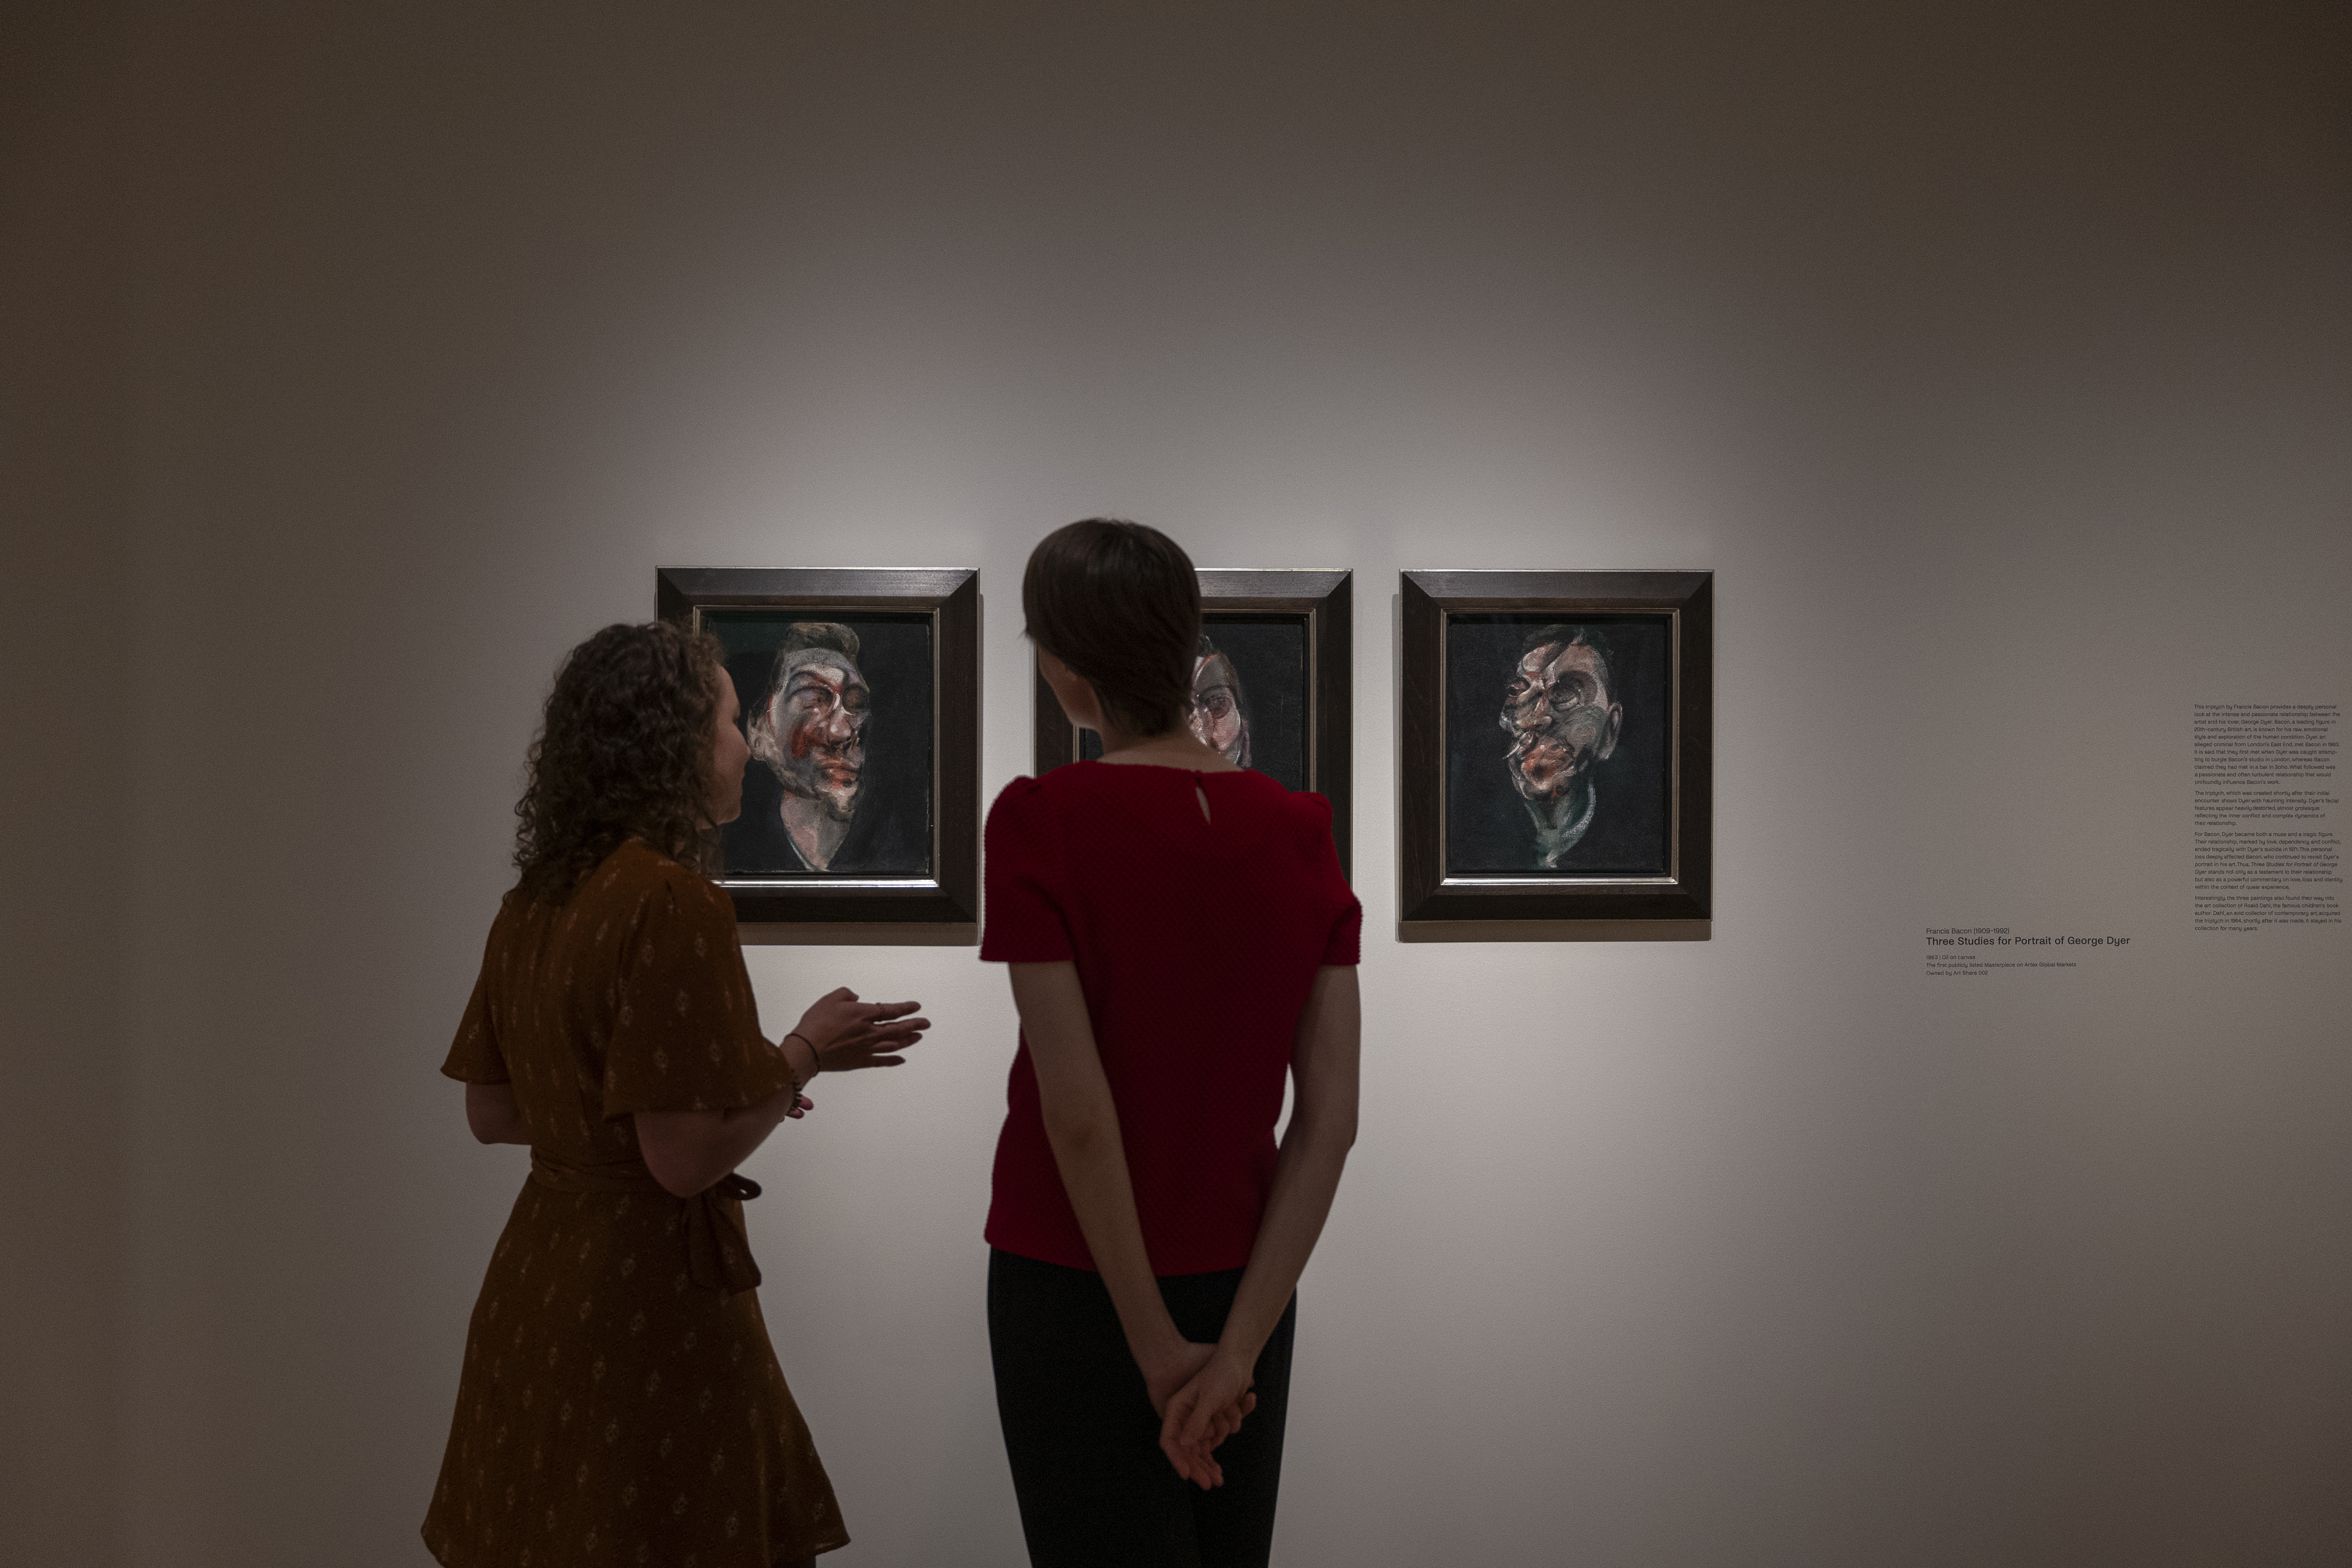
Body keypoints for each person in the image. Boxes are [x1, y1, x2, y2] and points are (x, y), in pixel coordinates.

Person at [422, 620, 928, 1568]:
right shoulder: (672, 899)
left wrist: (714, 1095)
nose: (743, 745)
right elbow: (681, 1155)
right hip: (640, 1309)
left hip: (534, 1297)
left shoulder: (533, 901)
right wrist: (800, 1056)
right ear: (675, 742)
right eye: (732, 721)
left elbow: (494, 1109)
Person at [981, 520, 1362, 1568]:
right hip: (1246, 1289)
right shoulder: (1299, 832)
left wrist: (1155, 1355)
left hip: (1076, 1286)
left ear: (1063, 665)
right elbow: (1329, 1124)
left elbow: (1080, 1116)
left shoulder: (1039, 822)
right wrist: (1230, 1352)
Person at [1499, 623, 1623, 868]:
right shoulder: (1476, 830)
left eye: (1566, 693)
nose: (1531, 719)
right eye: (1519, 691)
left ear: (1610, 731)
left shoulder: (1627, 848)